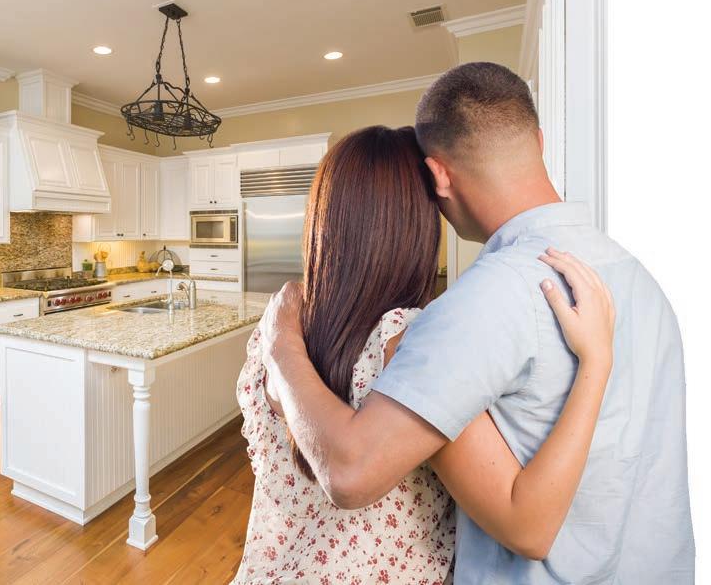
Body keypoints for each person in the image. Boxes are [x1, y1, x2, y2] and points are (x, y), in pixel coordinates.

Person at [258, 63, 695, 584]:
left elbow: (350, 472)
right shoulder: (638, 278)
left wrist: (281, 342)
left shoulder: (480, 302)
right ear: (537, 140)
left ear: (439, 175)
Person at [233, 125, 616, 584]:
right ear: (417, 227)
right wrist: (597, 361)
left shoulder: (277, 328)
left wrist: (281, 344)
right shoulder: (408, 344)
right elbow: (527, 526)